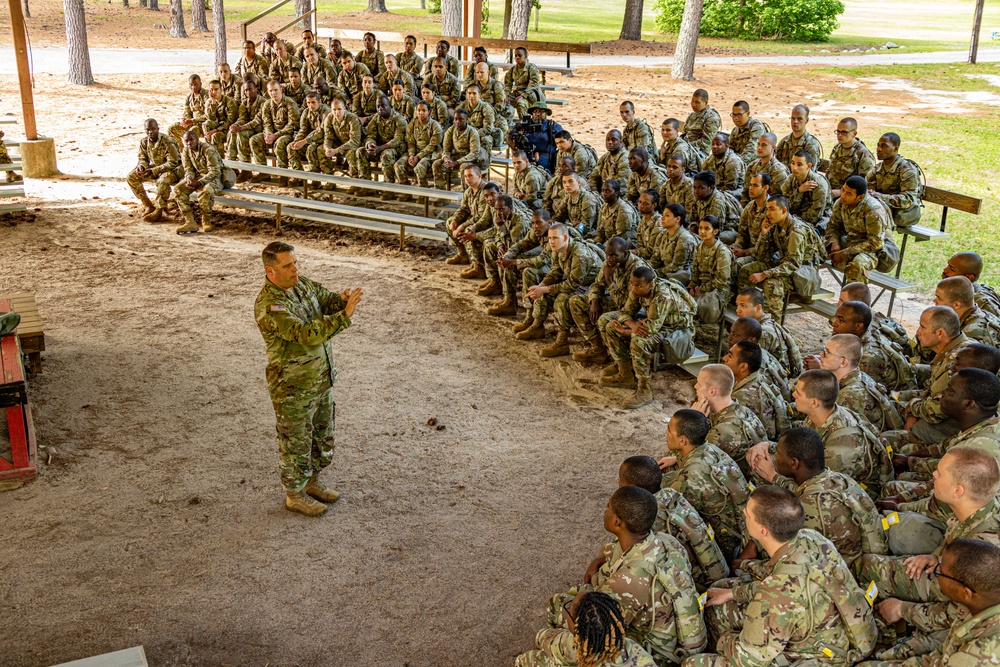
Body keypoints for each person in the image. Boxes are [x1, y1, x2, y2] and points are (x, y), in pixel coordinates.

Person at [693, 486, 877, 667]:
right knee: (725, 592)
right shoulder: (811, 538)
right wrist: (734, 593)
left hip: (820, 657)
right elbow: (784, 585)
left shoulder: (774, 593)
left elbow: (748, 660)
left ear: (763, 530)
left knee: (692, 663)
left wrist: (725, 639)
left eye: (748, 514)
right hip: (837, 633)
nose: (743, 512)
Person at [254, 242, 362, 517]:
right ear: (271, 270)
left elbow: (325, 299)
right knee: (296, 442)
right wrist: (345, 316)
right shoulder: (271, 306)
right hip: (293, 386)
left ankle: (311, 482)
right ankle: (294, 494)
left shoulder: (301, 285)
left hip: (319, 380)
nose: (295, 269)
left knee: (321, 436)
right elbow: (306, 334)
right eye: (287, 265)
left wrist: (341, 300)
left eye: (295, 262)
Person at [545, 487, 708, 665]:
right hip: (670, 635)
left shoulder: (624, 582)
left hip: (655, 654)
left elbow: (595, 624)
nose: (605, 509)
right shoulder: (666, 541)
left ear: (616, 521)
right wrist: (599, 560)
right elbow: (618, 552)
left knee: (557, 605)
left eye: (608, 507)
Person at [858, 448, 1000, 639]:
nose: (933, 474)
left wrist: (902, 609)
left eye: (939, 473)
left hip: (949, 597)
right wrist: (935, 555)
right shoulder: (978, 506)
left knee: (866, 568)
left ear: (958, 491)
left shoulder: (983, 551)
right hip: (948, 571)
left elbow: (960, 613)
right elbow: (954, 534)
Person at [750, 427, 889, 571]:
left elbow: (791, 562)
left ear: (794, 463)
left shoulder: (810, 506)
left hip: (842, 575)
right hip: (863, 559)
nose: (775, 458)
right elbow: (804, 490)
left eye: (778, 454)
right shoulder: (837, 479)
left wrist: (746, 563)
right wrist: (773, 476)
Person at [752, 369, 891, 495]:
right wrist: (767, 445)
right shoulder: (822, 414)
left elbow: (816, 493)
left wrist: (773, 476)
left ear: (814, 403)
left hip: (849, 497)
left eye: (798, 393)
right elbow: (803, 447)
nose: (793, 394)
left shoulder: (840, 449)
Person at [618, 455, 730, 591]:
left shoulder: (644, 515)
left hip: (695, 584)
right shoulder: (671, 494)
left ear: (632, 488)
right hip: (715, 567)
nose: (618, 483)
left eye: (621, 480)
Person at [659, 409, 750, 561]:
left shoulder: (690, 475)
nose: (666, 432)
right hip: (739, 527)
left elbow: (674, 511)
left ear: (683, 440)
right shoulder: (711, 449)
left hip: (723, 543)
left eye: (669, 429)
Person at [599, 267, 696, 408]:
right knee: (609, 325)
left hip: (675, 331)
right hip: (655, 322)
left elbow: (648, 332)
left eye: (638, 285)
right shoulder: (637, 289)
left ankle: (645, 391)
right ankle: (625, 373)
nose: (633, 288)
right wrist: (632, 325)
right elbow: (625, 312)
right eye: (632, 284)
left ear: (650, 285)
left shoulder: (662, 297)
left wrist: (626, 330)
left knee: (638, 342)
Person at [520, 223, 603, 358]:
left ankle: (562, 342)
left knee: (562, 298)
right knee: (545, 292)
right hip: (578, 285)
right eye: (549, 238)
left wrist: (544, 289)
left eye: (555, 238)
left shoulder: (580, 254)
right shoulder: (557, 249)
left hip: (594, 288)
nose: (551, 242)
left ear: (565, 237)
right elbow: (556, 272)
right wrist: (540, 286)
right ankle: (537, 326)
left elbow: (571, 285)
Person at [737, 194, 824, 320]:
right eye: (767, 209)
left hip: (802, 273)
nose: (768, 213)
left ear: (783, 210)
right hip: (785, 266)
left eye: (772, 209)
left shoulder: (796, 231)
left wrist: (765, 274)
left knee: (772, 284)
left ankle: (772, 325)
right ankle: (748, 314)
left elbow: (793, 263)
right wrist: (764, 234)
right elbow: (762, 256)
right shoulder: (776, 226)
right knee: (746, 270)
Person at [516, 591, 659, 667]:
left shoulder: (569, 646)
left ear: (574, 628)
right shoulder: (637, 651)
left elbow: (541, 639)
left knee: (527, 659)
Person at [897, 306, 971, 445]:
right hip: (942, 417)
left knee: (887, 439)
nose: (918, 332)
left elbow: (935, 412)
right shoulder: (962, 347)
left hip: (951, 431)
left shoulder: (955, 362)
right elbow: (931, 392)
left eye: (922, 327)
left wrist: (912, 407)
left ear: (940, 333)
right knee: (893, 399)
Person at [569, 237, 647, 365]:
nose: (609, 258)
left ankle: (622, 363)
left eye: (614, 255)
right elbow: (597, 285)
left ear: (625, 254)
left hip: (636, 311)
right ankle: (598, 349)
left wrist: (609, 280)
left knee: (605, 319)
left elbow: (627, 305)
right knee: (576, 301)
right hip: (618, 303)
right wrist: (594, 300)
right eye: (607, 254)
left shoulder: (636, 270)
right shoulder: (609, 264)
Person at [807, 333, 903, 431]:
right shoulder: (860, 376)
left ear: (843, 362)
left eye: (827, 352)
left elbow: (825, 433)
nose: (821, 355)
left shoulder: (848, 397)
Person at [693, 364, 768, 476]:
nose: (695, 386)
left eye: (699, 384)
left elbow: (693, 461)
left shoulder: (721, 432)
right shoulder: (743, 410)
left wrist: (694, 421)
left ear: (712, 391)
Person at [830, 300, 917, 393]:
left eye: (841, 320)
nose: (834, 323)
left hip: (896, 400)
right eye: (836, 318)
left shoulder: (866, 357)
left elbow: (858, 390)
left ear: (858, 326)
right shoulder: (864, 335)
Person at [826, 175, 898, 283]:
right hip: (851, 240)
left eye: (849, 193)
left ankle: (854, 298)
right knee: (815, 247)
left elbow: (876, 243)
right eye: (843, 190)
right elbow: (833, 226)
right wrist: (834, 243)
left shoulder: (873, 210)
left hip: (874, 249)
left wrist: (844, 254)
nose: (843, 196)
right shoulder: (841, 203)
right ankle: (805, 293)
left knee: (858, 265)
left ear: (860, 197)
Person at [725, 341, 791, 442]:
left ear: (743, 367)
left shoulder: (744, 396)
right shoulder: (760, 378)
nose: (724, 358)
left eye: (730, 356)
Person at [480, 195, 533, 314]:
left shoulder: (521, 221)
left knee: (507, 262)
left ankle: (510, 302)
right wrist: (499, 246)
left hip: (528, 251)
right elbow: (498, 236)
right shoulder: (500, 215)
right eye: (497, 209)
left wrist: (501, 226)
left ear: (510, 208)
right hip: (512, 248)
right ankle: (497, 284)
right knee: (490, 246)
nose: (498, 212)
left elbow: (515, 245)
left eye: (501, 209)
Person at [734, 287, 802, 377]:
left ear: (758, 308)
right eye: (737, 305)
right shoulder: (760, 324)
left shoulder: (763, 332)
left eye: (743, 306)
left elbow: (758, 365)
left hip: (773, 377)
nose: (738, 310)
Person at [174, 130, 229, 235]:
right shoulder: (186, 150)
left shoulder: (208, 150)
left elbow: (215, 171)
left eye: (191, 140)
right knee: (178, 189)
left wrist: (199, 182)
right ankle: (190, 221)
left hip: (215, 178)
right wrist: (189, 178)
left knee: (206, 191)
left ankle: (206, 219)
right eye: (186, 141)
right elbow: (188, 168)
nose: (189, 143)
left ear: (197, 139)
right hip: (198, 177)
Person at [127, 118, 182, 223]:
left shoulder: (168, 141)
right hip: (158, 167)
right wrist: (141, 167)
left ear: (158, 128)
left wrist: (154, 171)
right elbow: (143, 158)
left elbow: (173, 162)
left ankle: (159, 210)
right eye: (147, 129)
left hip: (174, 169)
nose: (150, 132)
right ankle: (148, 205)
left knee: (163, 181)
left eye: (153, 129)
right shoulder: (144, 142)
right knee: (132, 176)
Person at [867, 132, 923, 227]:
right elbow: (868, 189)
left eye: (884, 146)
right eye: (878, 145)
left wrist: (879, 196)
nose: (879, 149)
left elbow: (908, 200)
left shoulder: (907, 170)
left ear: (895, 149)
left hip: (903, 214)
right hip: (882, 209)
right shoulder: (878, 169)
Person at [728, 316, 790, 401]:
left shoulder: (755, 364)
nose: (730, 337)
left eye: (735, 335)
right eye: (731, 332)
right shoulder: (761, 352)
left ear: (751, 339)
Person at [249, 79, 300, 180]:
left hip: (288, 134)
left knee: (280, 142)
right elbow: (266, 122)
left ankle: (283, 173)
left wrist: (275, 135)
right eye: (271, 91)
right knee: (254, 140)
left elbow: (292, 125)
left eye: (275, 90)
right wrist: (268, 134)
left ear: (281, 89)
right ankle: (263, 171)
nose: (273, 93)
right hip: (273, 134)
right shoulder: (267, 104)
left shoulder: (290, 103)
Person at [839, 281, 910, 353]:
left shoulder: (861, 329)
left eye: (842, 302)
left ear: (857, 305)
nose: (838, 304)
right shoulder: (878, 317)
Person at [356, 95, 406, 195]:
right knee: (360, 152)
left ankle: (389, 188)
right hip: (379, 148)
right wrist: (370, 144)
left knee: (385, 154)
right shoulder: (376, 118)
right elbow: (371, 135)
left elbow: (398, 140)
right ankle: (366, 185)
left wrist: (381, 148)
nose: (380, 108)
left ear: (390, 106)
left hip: (397, 150)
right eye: (378, 106)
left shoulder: (399, 119)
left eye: (383, 106)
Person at [446, 165, 492, 272]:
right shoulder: (469, 191)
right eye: (465, 176)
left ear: (479, 176)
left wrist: (462, 226)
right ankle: (463, 255)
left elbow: (481, 217)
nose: (467, 179)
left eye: (470, 176)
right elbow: (463, 208)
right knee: (450, 222)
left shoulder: (485, 191)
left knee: (469, 230)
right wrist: (455, 220)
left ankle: (479, 266)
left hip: (487, 223)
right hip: (476, 220)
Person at [933, 276, 1000, 347]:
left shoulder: (971, 333)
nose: (934, 301)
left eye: (939, 298)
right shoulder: (983, 314)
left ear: (956, 305)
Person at [433, 108, 487, 190]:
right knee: (436, 164)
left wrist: (456, 162)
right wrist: (446, 159)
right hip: (456, 157)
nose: (457, 121)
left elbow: (474, 153)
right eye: (455, 119)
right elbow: (446, 149)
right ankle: (441, 191)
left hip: (471, 160)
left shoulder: (472, 132)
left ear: (467, 119)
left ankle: (465, 192)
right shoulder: (450, 130)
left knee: (464, 167)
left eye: (461, 119)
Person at [781, 149, 832, 232]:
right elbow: (786, 205)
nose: (794, 168)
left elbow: (814, 216)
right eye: (793, 163)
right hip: (795, 217)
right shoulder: (790, 179)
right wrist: (799, 191)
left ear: (808, 166)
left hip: (819, 222)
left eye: (799, 164)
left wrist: (793, 219)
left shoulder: (818, 184)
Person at [827, 117, 876, 199]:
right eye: (838, 131)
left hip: (849, 197)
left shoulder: (863, 155)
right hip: (830, 193)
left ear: (854, 134)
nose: (839, 135)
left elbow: (863, 185)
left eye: (844, 132)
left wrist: (840, 192)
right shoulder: (837, 147)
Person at [688, 170, 741, 245]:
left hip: (727, 229)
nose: (696, 191)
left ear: (710, 188)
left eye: (701, 188)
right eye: (695, 188)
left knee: (720, 238)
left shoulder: (717, 202)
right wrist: (693, 226)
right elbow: (692, 219)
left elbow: (717, 229)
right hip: (705, 227)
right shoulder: (699, 198)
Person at [648, 203, 696, 284]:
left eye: (667, 216)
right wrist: (648, 269)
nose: (662, 218)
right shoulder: (662, 234)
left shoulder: (684, 238)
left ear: (677, 219)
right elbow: (655, 259)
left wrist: (656, 272)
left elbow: (676, 266)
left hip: (680, 274)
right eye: (662, 215)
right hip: (665, 271)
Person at [943, 252, 1000, 318]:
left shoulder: (980, 301)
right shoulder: (958, 292)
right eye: (948, 265)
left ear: (968, 278)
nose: (945, 270)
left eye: (952, 269)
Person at [228, 78, 266, 178]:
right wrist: (236, 125)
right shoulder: (244, 103)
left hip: (260, 129)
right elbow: (242, 118)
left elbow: (257, 121)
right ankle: (232, 164)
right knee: (232, 132)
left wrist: (242, 128)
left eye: (250, 89)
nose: (248, 92)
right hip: (249, 129)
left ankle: (246, 167)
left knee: (241, 133)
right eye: (246, 90)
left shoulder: (263, 102)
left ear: (256, 89)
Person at [733, 173, 771, 270]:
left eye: (755, 185)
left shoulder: (771, 210)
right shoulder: (750, 206)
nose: (750, 188)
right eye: (750, 185)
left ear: (765, 188)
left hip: (765, 255)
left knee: (736, 264)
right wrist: (737, 248)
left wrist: (745, 252)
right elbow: (742, 233)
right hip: (749, 250)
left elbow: (769, 245)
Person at [740, 132, 789, 206]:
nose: (759, 148)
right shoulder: (752, 166)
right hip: (751, 208)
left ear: (773, 147)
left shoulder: (778, 171)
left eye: (764, 145)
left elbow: (781, 199)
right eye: (758, 144)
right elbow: (745, 193)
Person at [287, 92, 330, 177]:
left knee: (312, 148)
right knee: (290, 147)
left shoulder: (326, 112)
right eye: (308, 103)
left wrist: (304, 141)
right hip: (311, 139)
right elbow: (303, 129)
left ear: (319, 102)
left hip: (325, 140)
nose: (311, 105)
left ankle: (318, 177)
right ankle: (299, 176)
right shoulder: (306, 112)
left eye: (313, 102)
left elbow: (321, 132)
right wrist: (296, 141)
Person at [319, 97, 363, 178]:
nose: (337, 112)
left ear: (344, 108)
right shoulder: (329, 118)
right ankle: (329, 178)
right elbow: (328, 136)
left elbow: (354, 141)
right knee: (321, 149)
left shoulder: (352, 118)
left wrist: (336, 150)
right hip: (339, 143)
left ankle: (356, 180)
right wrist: (327, 148)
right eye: (334, 109)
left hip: (353, 146)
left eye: (339, 109)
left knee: (351, 153)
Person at [775, 104, 822, 169]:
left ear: (807, 120)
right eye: (793, 118)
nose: (795, 122)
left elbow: (810, 173)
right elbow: (775, 164)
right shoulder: (785, 142)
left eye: (799, 119)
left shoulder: (811, 144)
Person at [593, 180, 639, 247]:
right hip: (610, 241)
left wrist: (605, 246)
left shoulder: (624, 209)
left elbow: (621, 236)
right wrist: (597, 243)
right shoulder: (604, 207)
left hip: (624, 243)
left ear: (616, 193)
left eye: (608, 191)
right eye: (603, 191)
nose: (604, 194)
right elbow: (600, 232)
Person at [169, 74, 210, 144]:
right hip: (191, 123)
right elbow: (187, 112)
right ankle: (180, 150)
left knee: (191, 133)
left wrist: (192, 121)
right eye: (191, 85)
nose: (193, 87)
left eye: (196, 84)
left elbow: (208, 115)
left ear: (200, 84)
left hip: (203, 125)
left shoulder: (206, 95)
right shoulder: (189, 97)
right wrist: (186, 120)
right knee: (172, 129)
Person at [701, 133, 745, 199]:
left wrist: (711, 192)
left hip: (733, 192)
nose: (714, 147)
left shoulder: (732, 161)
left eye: (718, 144)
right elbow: (703, 176)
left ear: (726, 146)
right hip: (715, 189)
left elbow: (731, 186)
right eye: (713, 144)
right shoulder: (710, 159)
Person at [505, 47, 544, 119]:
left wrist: (522, 96)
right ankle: (507, 125)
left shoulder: (531, 68)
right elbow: (508, 83)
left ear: (525, 56)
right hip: (517, 94)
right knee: (502, 101)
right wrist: (506, 94)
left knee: (521, 104)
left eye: (520, 55)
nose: (517, 57)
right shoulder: (513, 69)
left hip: (530, 96)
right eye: (516, 55)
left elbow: (534, 84)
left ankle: (524, 125)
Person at [458, 84, 500, 152]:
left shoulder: (485, 108)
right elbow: (456, 123)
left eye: (474, 93)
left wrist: (472, 134)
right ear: (466, 94)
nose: (471, 96)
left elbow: (488, 129)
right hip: (465, 134)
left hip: (481, 134)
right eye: (469, 93)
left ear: (479, 95)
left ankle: (485, 161)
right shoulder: (462, 106)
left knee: (486, 140)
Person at [560, 172, 602, 238]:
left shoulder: (587, 199)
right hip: (575, 230)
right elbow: (559, 216)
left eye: (570, 181)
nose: (567, 185)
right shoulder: (568, 197)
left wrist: (571, 233)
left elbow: (585, 225)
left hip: (590, 234)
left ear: (578, 183)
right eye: (564, 182)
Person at [682, 89, 721, 155]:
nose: (694, 105)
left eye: (697, 102)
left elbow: (706, 143)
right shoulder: (693, 115)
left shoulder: (711, 117)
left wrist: (685, 146)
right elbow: (684, 133)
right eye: (692, 101)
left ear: (705, 102)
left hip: (699, 153)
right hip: (685, 149)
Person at [634, 190, 663, 261]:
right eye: (640, 202)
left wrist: (633, 252)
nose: (641, 206)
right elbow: (640, 245)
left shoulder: (658, 223)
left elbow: (651, 251)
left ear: (654, 205)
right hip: (643, 257)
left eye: (646, 204)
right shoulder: (643, 219)